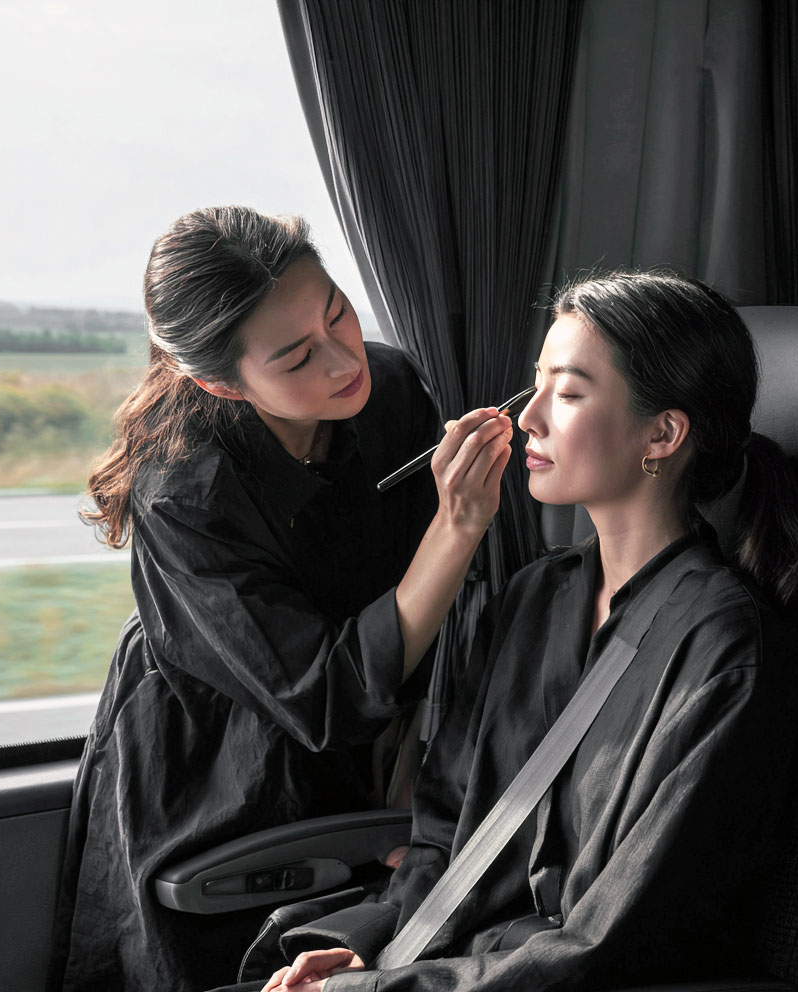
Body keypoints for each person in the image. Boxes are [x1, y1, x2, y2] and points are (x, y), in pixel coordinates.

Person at [219, 270, 798, 992]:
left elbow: (608, 943)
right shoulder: (535, 596)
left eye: (567, 393)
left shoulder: (724, 647)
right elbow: (444, 829)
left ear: (661, 433)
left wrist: (381, 990)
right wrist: (373, 949)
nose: (527, 417)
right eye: (534, 386)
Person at [49, 206, 514, 991]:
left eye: (337, 310)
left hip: (379, 739)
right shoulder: (185, 491)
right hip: (216, 766)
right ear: (218, 382)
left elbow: (440, 619)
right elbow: (325, 698)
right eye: (297, 357)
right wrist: (457, 524)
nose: (342, 363)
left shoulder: (391, 384)